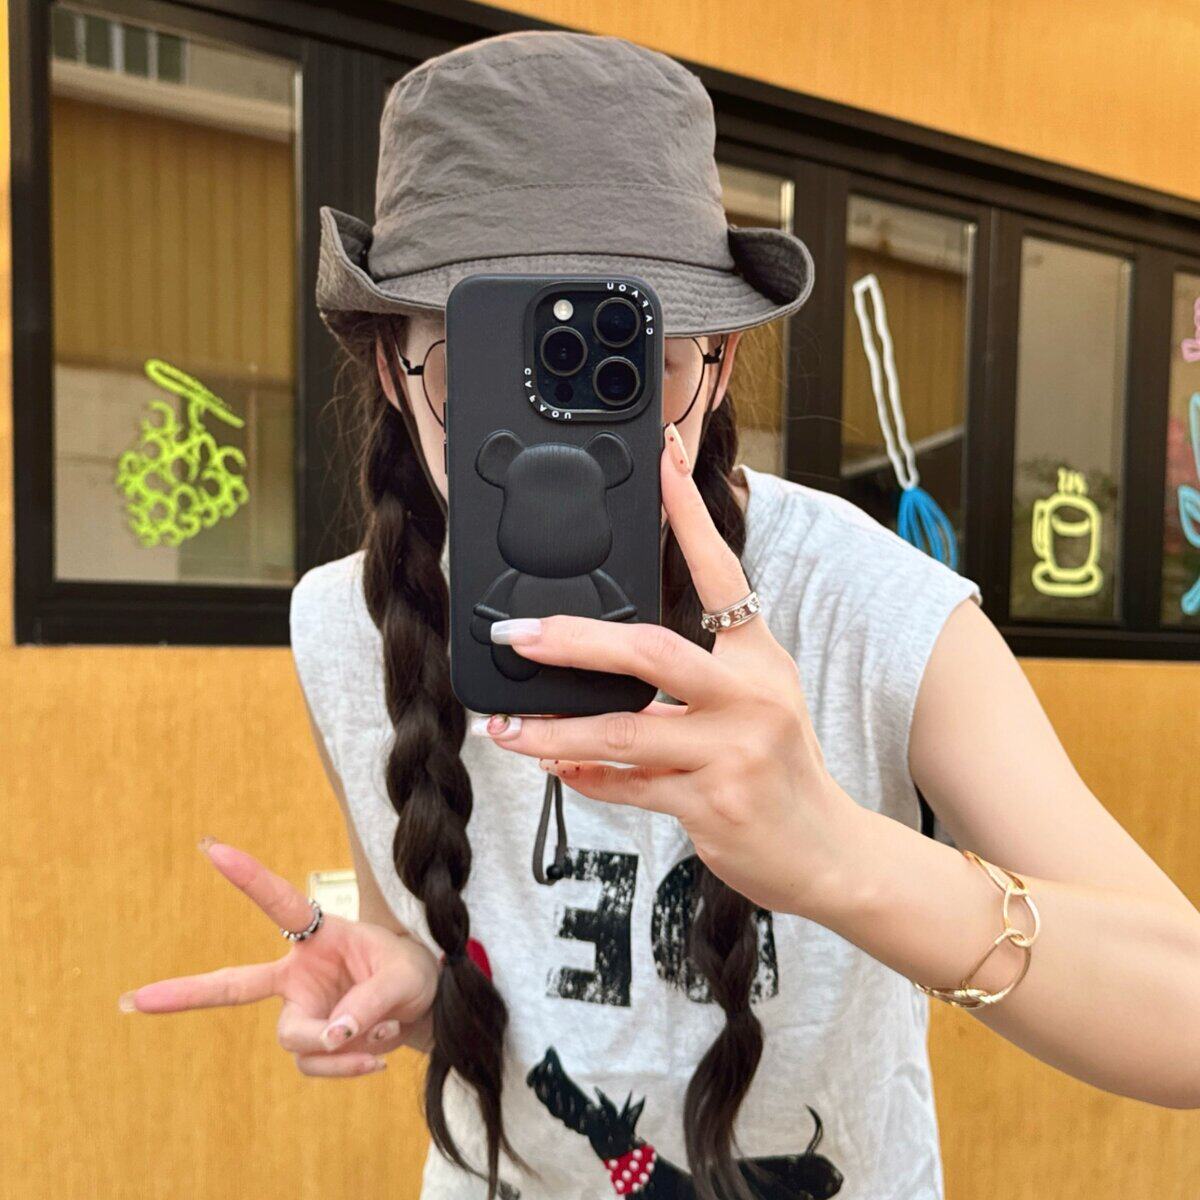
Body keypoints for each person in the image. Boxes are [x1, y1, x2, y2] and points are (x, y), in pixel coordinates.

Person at [118, 28, 1200, 1200]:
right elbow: (449, 962)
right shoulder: (345, 622)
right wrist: (410, 991)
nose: (574, 448)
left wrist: (839, 855)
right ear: (393, 369)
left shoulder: (866, 602)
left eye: (629, 373)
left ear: (718, 366)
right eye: (485, 373)